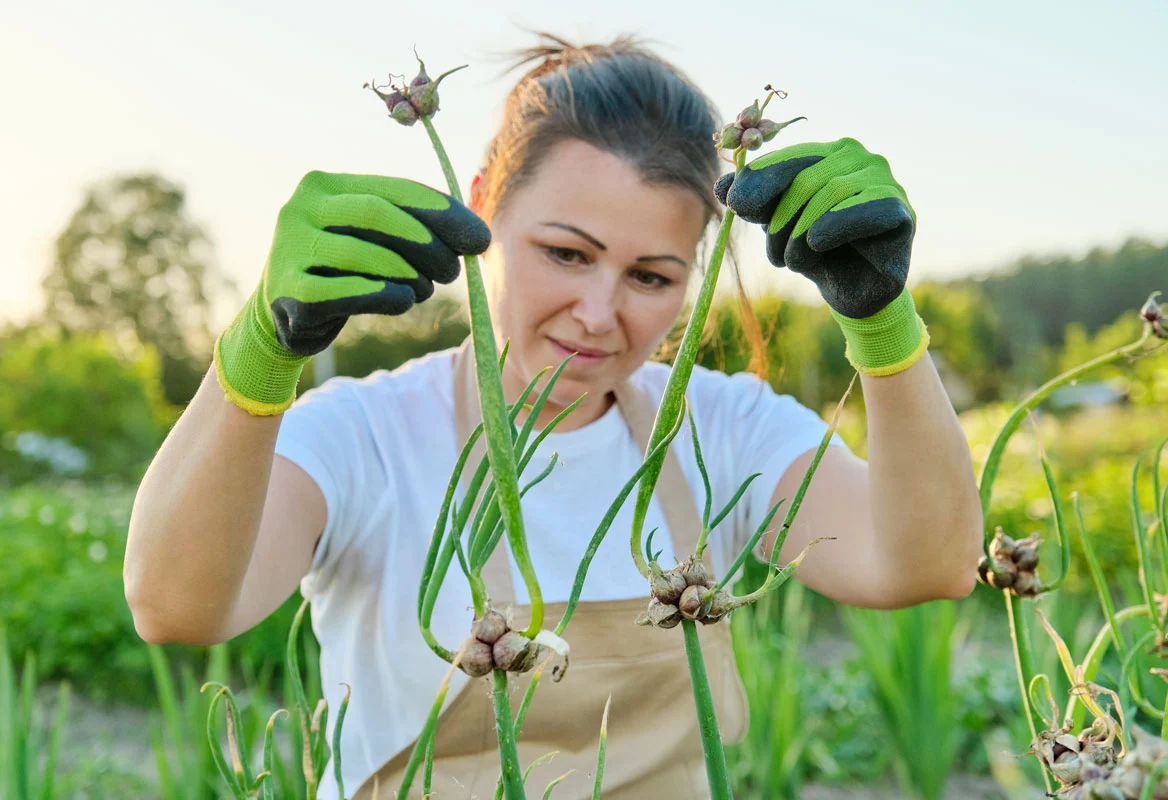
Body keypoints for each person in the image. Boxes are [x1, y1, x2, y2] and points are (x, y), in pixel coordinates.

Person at [123, 33, 982, 799]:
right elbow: (179, 608)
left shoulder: (723, 428)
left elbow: (925, 565)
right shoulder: (365, 433)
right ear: (485, 199)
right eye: (565, 253)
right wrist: (258, 358)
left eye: (651, 276)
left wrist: (881, 326)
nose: (598, 314)